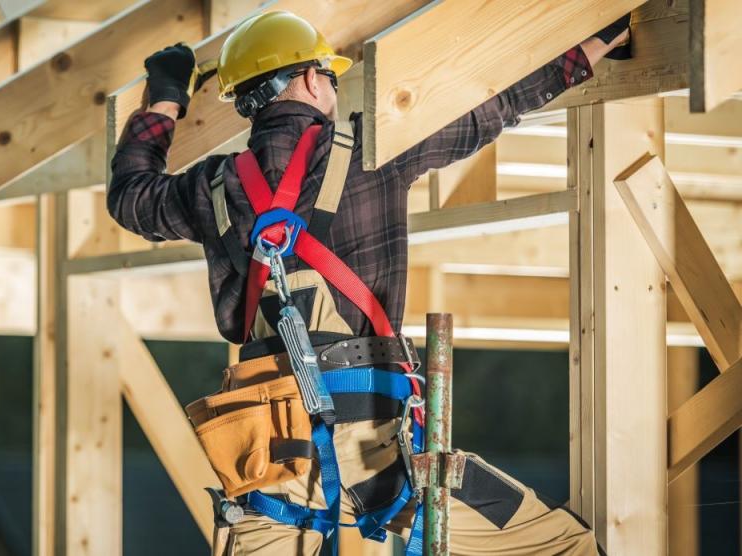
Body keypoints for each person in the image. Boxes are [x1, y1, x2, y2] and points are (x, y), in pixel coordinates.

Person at [108, 10, 631, 556]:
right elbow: (491, 107)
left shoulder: (211, 186)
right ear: (312, 78)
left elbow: (131, 195)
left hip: (267, 457)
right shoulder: (370, 151)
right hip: (376, 451)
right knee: (558, 546)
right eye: (330, 76)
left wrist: (167, 95)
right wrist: (595, 42)